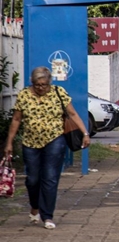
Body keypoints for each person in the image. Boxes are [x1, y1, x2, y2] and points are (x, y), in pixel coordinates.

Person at [3, 67, 90, 229]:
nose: (41, 88)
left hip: (54, 139)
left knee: (50, 177)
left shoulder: (58, 92)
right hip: (30, 142)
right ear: (32, 82)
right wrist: (9, 142)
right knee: (33, 179)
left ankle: (47, 216)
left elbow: (72, 114)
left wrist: (85, 133)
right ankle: (35, 206)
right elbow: (16, 119)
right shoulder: (24, 95)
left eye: (44, 85)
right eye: (37, 85)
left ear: (49, 82)